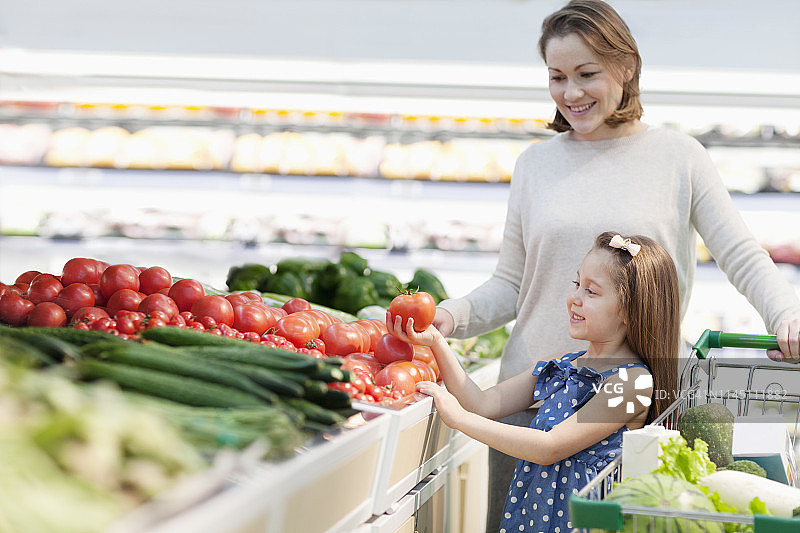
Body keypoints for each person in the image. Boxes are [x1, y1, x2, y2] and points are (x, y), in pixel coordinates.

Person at [431, 1, 800, 531]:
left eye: (587, 74)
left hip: (636, 415)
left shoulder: (679, 156)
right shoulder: (535, 164)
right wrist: (452, 317)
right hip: (531, 405)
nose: (571, 93)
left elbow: (740, 254)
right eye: (557, 77)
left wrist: (786, 313)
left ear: (626, 68)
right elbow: (512, 283)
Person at [388, 232, 680, 533]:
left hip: (582, 522)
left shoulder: (633, 383)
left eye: (591, 292)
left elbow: (549, 447)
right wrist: (436, 341)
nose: (574, 298)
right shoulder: (564, 362)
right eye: (576, 284)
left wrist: (460, 420)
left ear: (631, 310)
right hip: (534, 515)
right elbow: (483, 403)